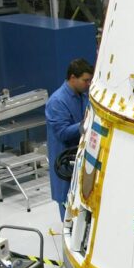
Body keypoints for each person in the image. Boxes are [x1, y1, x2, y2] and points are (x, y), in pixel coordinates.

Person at [47, 58, 94, 221]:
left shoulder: (82, 95)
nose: (88, 84)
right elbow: (62, 133)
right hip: (65, 160)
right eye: (85, 80)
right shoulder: (57, 101)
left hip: (79, 157)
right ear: (73, 78)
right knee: (66, 201)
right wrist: (86, 124)